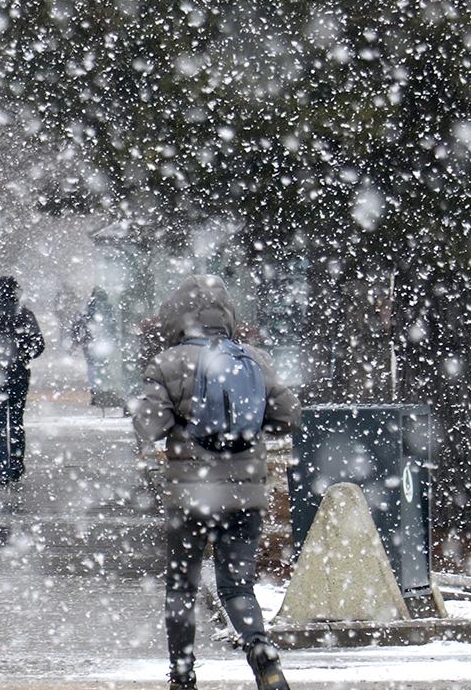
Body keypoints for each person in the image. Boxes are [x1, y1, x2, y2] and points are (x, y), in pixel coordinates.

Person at [132, 275, 301, 690]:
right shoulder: (254, 359)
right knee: (237, 584)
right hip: (246, 492)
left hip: (191, 495)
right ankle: (260, 647)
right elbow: (287, 415)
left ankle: (183, 674)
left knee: (182, 586)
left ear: (176, 316)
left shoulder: (167, 363)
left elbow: (149, 426)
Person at [0, 275, 44, 485]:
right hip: (18, 374)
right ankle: (16, 463)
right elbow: (38, 344)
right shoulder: (24, 314)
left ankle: (4, 467)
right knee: (16, 420)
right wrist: (23, 355)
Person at [70, 286, 119, 405]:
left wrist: (77, 340)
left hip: (89, 341)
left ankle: (95, 390)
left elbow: (78, 324)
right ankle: (103, 389)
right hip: (103, 342)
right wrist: (114, 339)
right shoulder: (109, 308)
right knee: (102, 365)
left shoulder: (87, 309)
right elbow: (113, 325)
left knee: (91, 365)